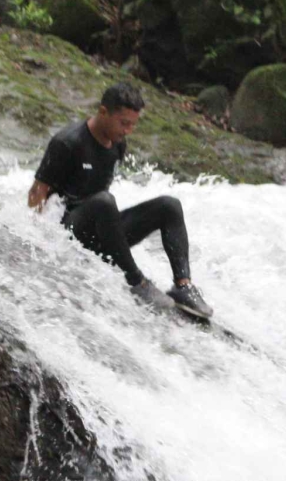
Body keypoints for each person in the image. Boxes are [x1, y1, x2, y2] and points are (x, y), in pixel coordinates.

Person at [28, 82, 214, 319]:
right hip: (71, 231)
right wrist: (37, 239)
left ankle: (183, 286)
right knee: (105, 201)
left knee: (170, 205)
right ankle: (136, 281)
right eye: (124, 123)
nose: (128, 130)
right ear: (103, 112)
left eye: (133, 124)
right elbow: (36, 195)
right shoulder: (67, 142)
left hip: (105, 231)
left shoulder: (118, 143)